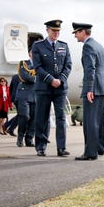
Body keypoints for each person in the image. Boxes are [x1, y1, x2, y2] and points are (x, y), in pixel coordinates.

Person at [72, 22, 104, 160]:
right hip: (101, 88)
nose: (75, 36)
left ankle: (90, 153)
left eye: (76, 33)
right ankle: (99, 148)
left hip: (93, 88)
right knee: (98, 120)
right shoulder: (100, 46)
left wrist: (89, 88)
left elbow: (90, 69)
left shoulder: (88, 46)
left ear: (83, 32)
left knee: (90, 121)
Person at [31, 19, 72, 157]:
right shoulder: (38, 46)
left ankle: (61, 148)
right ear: (47, 30)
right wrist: (50, 80)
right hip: (44, 88)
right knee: (42, 118)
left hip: (60, 88)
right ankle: (41, 147)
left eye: (58, 31)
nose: (56, 33)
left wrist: (60, 80)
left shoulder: (64, 46)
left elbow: (68, 66)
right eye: (54, 31)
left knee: (61, 118)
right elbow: (37, 67)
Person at [16, 49, 38, 147]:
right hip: (24, 94)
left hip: (36, 95)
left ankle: (29, 139)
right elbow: (25, 76)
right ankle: (20, 137)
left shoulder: (42, 64)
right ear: (30, 54)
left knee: (34, 119)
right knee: (24, 116)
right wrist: (39, 79)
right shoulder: (23, 63)